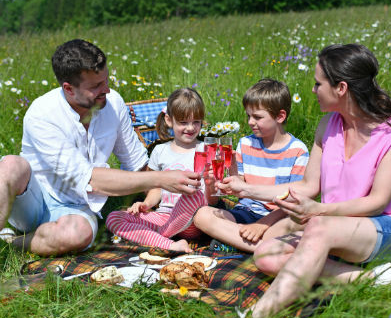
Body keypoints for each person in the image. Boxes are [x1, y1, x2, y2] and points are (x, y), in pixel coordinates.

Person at [218, 44, 391, 318]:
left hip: (385, 228)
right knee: (267, 254)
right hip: (333, 226)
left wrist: (318, 211)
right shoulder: (328, 125)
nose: (313, 90)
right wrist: (245, 188)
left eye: (318, 84)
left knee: (319, 226)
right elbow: (308, 186)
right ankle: (373, 278)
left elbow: (376, 203)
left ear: (341, 88)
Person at [0, 39, 200, 256]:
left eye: (106, 80)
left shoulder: (113, 103)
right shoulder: (42, 114)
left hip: (77, 208)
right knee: (11, 165)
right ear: (69, 89)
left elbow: (137, 164)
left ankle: (13, 244)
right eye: (95, 86)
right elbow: (90, 180)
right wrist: (162, 179)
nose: (106, 89)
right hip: (33, 199)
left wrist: (162, 200)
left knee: (78, 235)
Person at [193, 78, 309, 252]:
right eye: (248, 116)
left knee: (301, 223)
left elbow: (296, 201)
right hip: (245, 211)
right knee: (202, 215)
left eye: (257, 117)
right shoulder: (246, 144)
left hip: (278, 217)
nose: (250, 122)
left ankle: (236, 241)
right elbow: (240, 185)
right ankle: (263, 247)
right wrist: (221, 180)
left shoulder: (298, 151)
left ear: (280, 116)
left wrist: (262, 225)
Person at [106, 88, 217, 253]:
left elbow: (212, 200)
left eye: (196, 122)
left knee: (193, 194)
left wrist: (211, 184)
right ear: (169, 120)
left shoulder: (206, 149)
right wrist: (146, 204)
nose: (190, 128)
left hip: (193, 219)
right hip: (164, 216)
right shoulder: (160, 151)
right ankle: (171, 244)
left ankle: (158, 236)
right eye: (183, 122)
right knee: (114, 217)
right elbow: (156, 188)